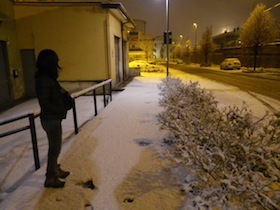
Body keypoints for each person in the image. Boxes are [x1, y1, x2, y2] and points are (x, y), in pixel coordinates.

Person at [35, 49, 72, 188]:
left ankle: (55, 169)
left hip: (53, 118)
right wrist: (61, 108)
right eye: (55, 60)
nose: (57, 63)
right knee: (54, 148)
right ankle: (50, 177)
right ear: (49, 62)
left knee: (55, 147)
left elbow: (54, 94)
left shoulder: (47, 77)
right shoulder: (44, 79)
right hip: (51, 119)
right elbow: (44, 102)